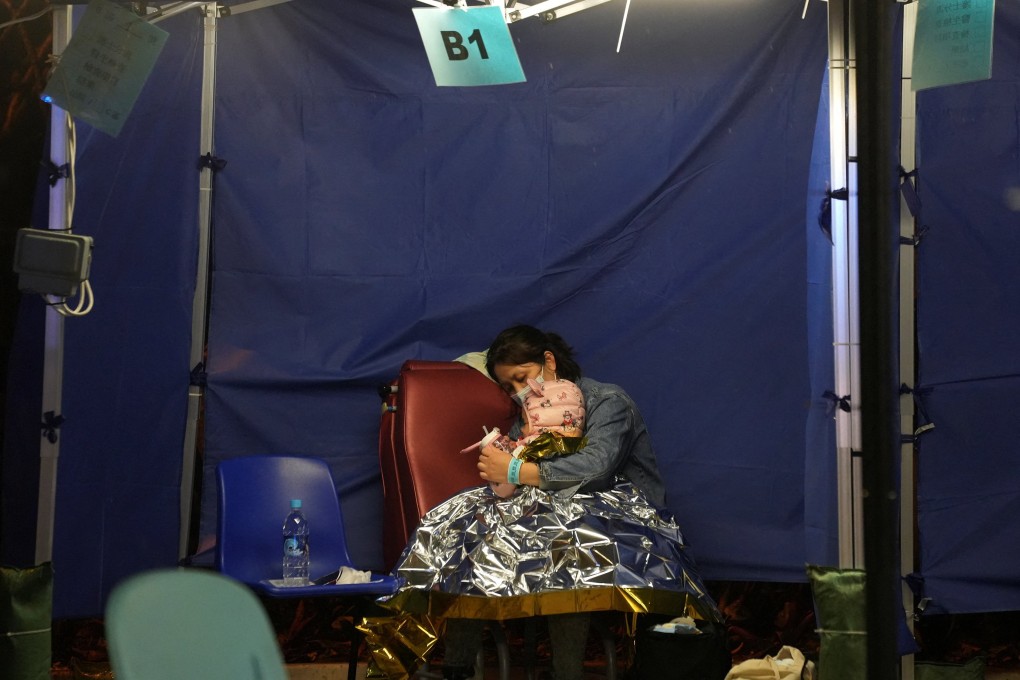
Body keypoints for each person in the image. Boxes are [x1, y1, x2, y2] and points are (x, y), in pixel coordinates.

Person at [385, 325, 722, 680]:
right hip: (548, 521)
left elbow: (597, 467)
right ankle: (456, 668)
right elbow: (518, 475)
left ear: (549, 360)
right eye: (508, 387)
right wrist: (502, 459)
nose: (518, 392)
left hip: (620, 527)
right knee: (475, 532)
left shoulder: (608, 401)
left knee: (568, 548)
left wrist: (516, 469)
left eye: (521, 378)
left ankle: (566, 673)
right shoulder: (528, 415)